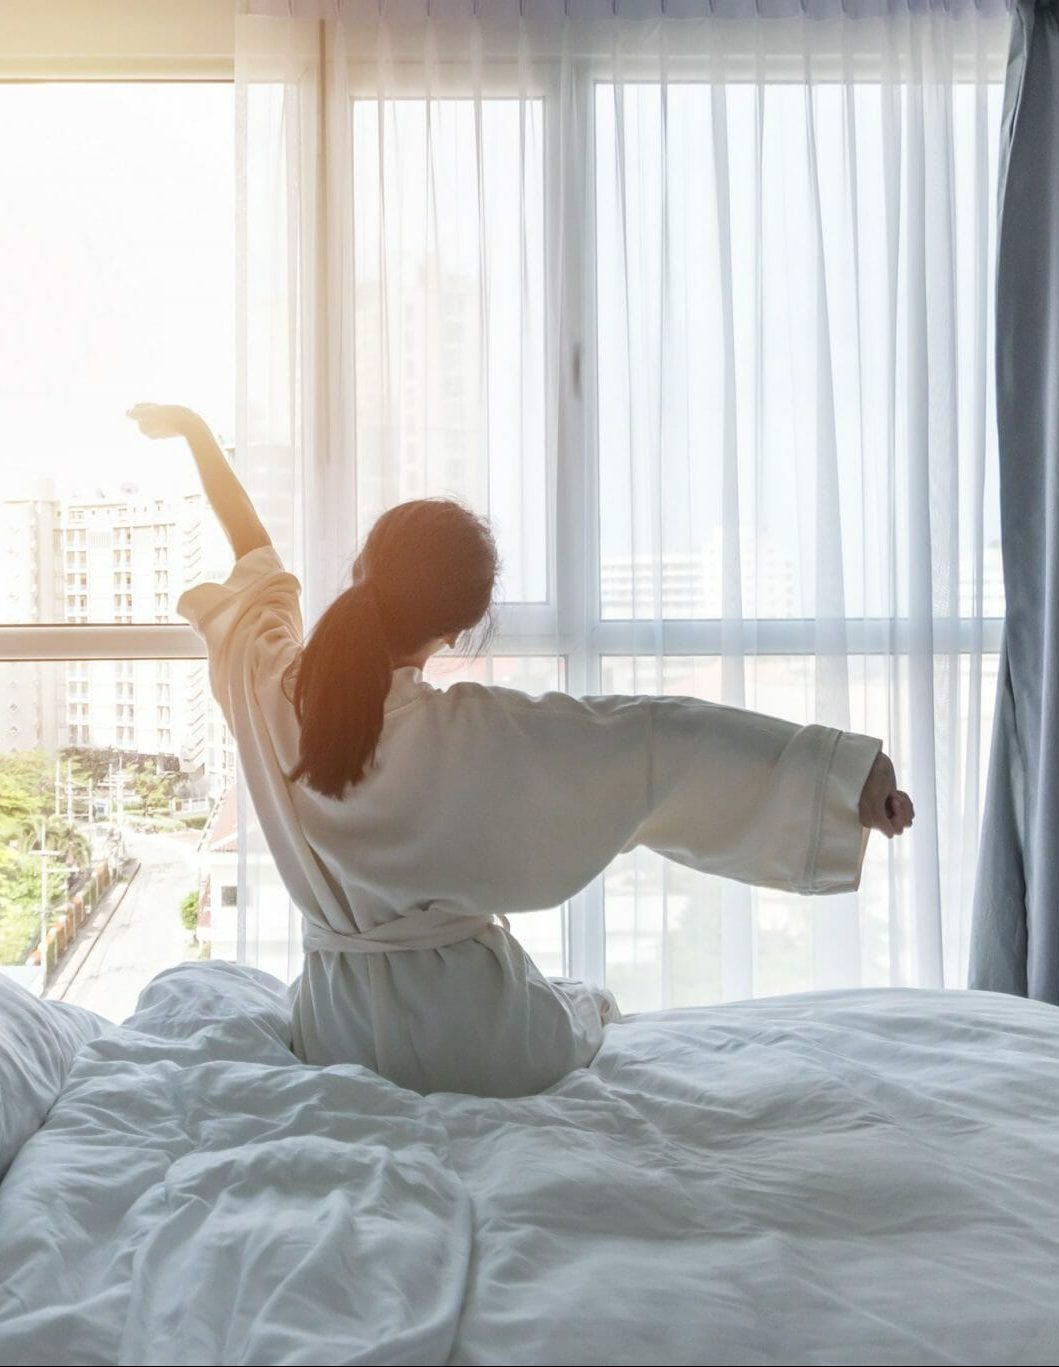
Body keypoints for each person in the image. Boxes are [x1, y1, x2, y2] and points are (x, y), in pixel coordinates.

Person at [127, 402, 914, 1098]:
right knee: (586, 1003)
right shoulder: (468, 733)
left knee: (579, 999)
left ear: (362, 570)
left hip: (336, 1032)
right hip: (476, 1042)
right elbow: (656, 740)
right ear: (458, 629)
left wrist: (197, 433)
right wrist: (846, 780)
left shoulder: (269, 686)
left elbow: (255, 560)